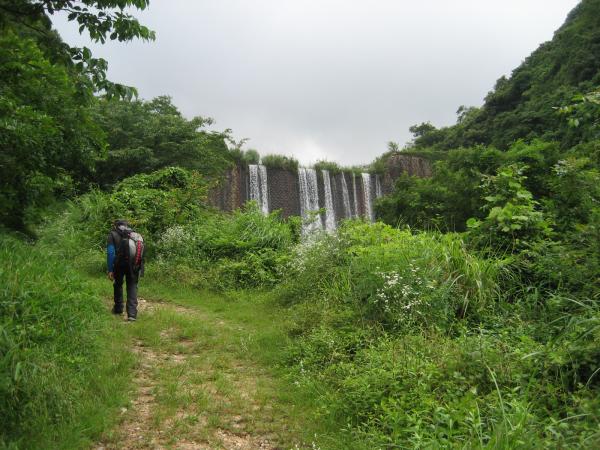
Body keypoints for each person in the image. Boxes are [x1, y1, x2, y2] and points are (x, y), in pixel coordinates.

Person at [107, 219, 142, 321]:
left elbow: (110, 253)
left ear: (115, 226)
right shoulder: (134, 234)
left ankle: (118, 309)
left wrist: (110, 269)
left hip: (119, 264)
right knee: (132, 285)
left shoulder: (112, 235)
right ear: (127, 226)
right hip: (133, 264)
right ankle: (132, 315)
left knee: (118, 284)